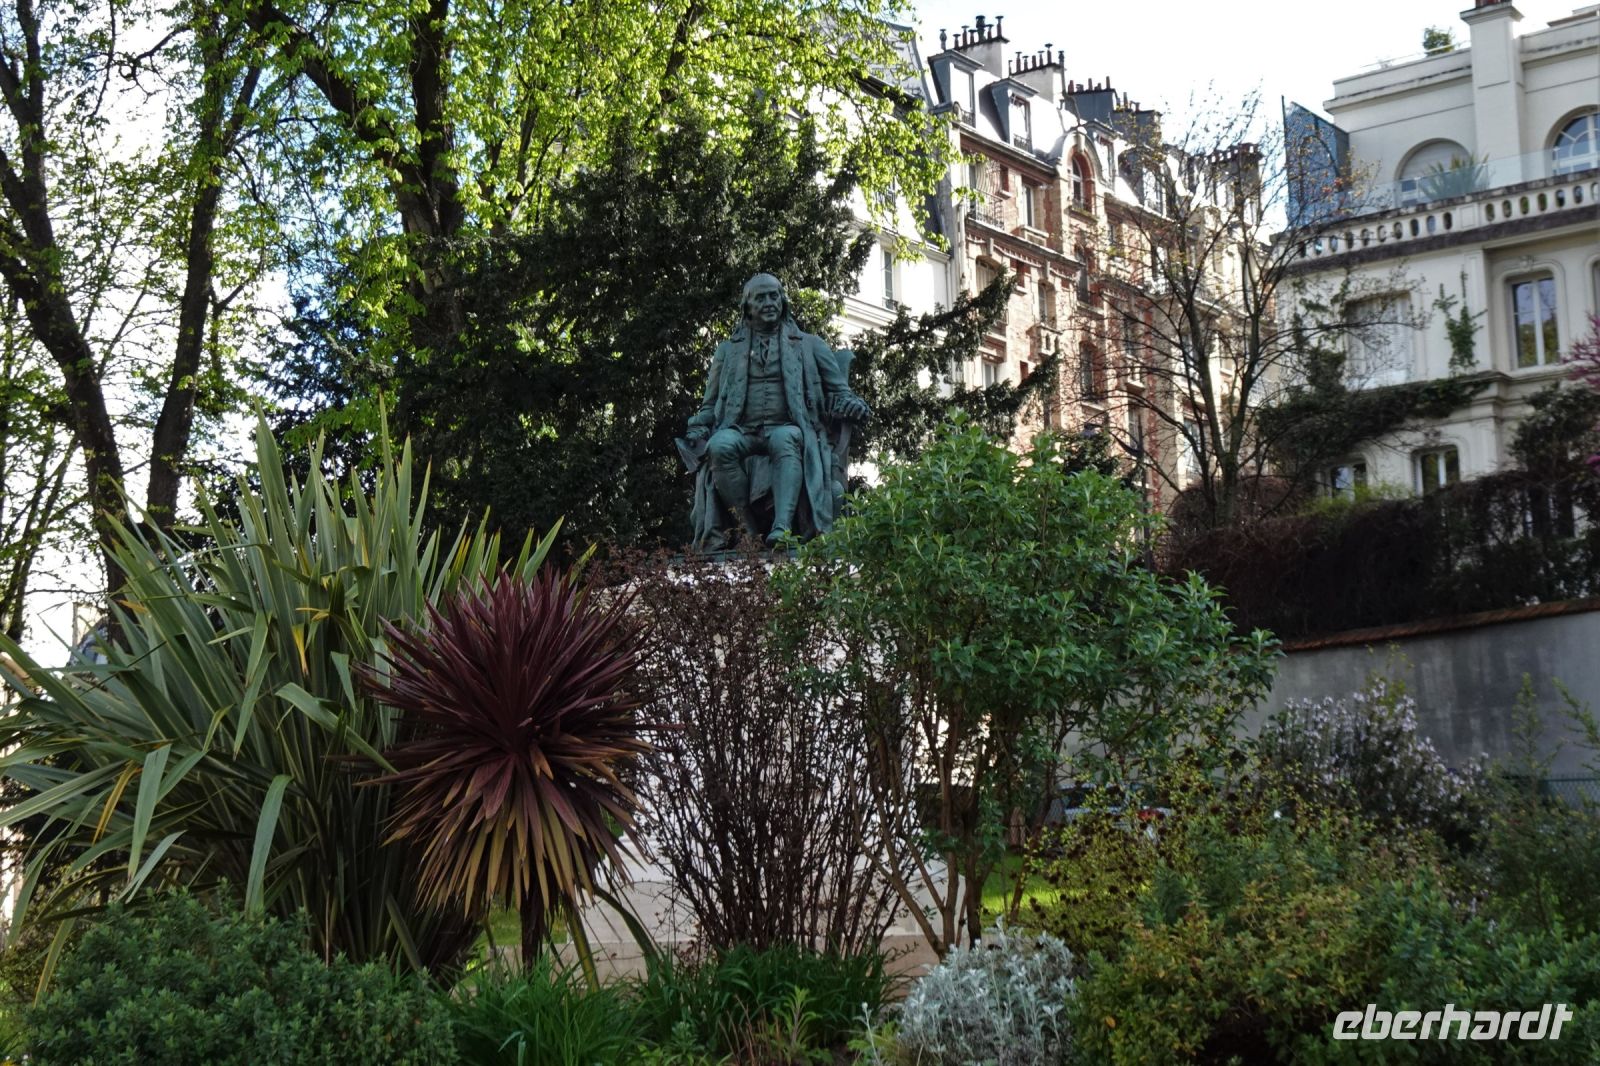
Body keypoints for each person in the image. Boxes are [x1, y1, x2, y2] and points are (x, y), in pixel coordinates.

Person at [682, 273, 868, 549]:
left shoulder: (810, 345)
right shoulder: (727, 351)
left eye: (774, 296)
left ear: (783, 301)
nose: (769, 302)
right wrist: (697, 426)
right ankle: (747, 530)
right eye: (760, 298)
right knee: (719, 445)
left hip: (791, 427)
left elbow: (841, 392)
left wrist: (853, 405)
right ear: (747, 306)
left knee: (785, 438)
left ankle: (782, 528)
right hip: (742, 430)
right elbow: (709, 406)